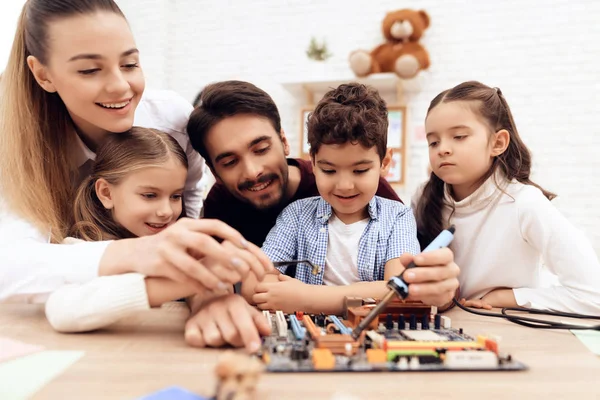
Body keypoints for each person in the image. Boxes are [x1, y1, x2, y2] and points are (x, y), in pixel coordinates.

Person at [0, 0, 272, 352]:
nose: (121, 87)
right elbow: (11, 266)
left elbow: (187, 217)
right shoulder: (17, 147)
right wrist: (137, 253)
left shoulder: (172, 119)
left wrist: (209, 294)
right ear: (43, 74)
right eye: (89, 70)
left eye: (130, 64)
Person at [187, 81, 458, 291]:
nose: (253, 171)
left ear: (284, 142)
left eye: (260, 149)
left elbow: (403, 288)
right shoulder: (280, 213)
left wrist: (307, 297)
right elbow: (210, 280)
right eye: (230, 161)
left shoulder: (391, 212)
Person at [413, 80, 600, 314]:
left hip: (506, 330)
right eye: (433, 141)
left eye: (459, 136)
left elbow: (594, 295)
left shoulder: (525, 203)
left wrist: (507, 297)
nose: (443, 149)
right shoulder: (423, 196)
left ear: (498, 143)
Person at [46, 127, 214, 332]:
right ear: (106, 193)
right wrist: (189, 282)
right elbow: (63, 313)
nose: (166, 211)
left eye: (176, 196)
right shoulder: (77, 249)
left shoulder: (184, 249)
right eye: (150, 195)